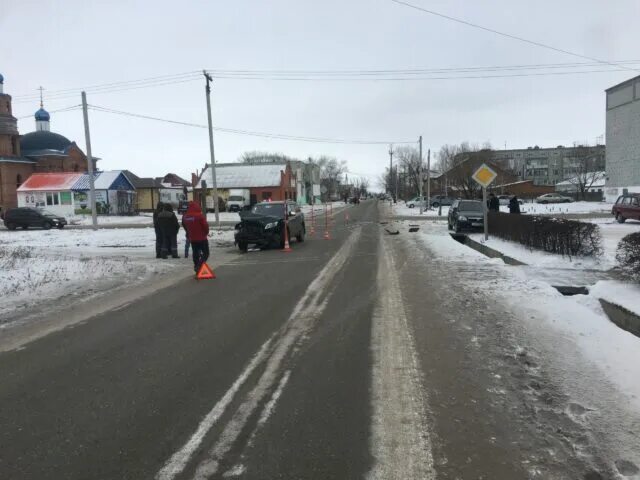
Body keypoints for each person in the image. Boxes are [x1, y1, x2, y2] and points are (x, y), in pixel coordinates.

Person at [182, 201, 210, 272]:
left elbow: (185, 226)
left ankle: (196, 265)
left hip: (192, 238)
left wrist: (189, 233)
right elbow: (205, 226)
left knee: (195, 253)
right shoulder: (200, 216)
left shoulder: (186, 217)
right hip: (202, 238)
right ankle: (199, 265)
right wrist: (206, 233)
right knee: (206, 253)